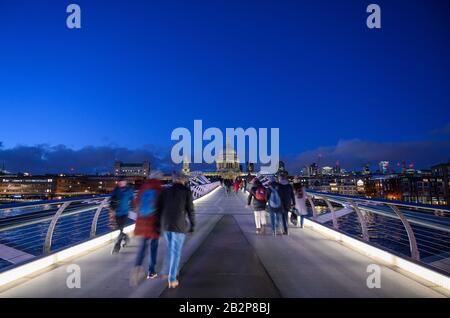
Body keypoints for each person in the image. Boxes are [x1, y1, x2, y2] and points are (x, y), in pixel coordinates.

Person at [157, 171, 194, 289]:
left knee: (170, 249)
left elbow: (158, 209)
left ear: (173, 180)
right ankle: (172, 278)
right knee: (176, 252)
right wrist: (192, 224)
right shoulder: (186, 191)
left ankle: (164, 272)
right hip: (179, 225)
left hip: (166, 225)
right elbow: (190, 210)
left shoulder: (165, 191)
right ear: (183, 180)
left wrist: (158, 225)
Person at [130, 171, 163, 286]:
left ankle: (135, 272)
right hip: (154, 223)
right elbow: (162, 207)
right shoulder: (159, 188)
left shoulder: (142, 188)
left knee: (142, 247)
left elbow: (136, 204)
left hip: (142, 222)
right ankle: (151, 271)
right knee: (153, 247)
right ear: (159, 178)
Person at [110, 177, 134, 254]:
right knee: (119, 229)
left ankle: (117, 247)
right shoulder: (115, 190)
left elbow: (132, 199)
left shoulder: (129, 190)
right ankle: (126, 237)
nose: (121, 183)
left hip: (125, 213)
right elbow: (111, 201)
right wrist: (112, 211)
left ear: (125, 182)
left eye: (122, 181)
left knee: (120, 229)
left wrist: (135, 208)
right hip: (117, 213)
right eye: (119, 181)